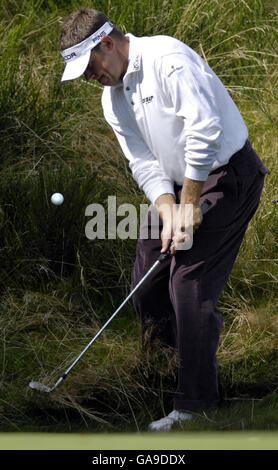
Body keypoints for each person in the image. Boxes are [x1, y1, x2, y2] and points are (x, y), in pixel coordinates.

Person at [59, 8, 269, 431]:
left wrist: (189, 204)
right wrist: (168, 209)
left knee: (188, 281)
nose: (88, 77)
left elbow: (205, 130)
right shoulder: (112, 97)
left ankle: (196, 404)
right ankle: (162, 373)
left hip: (226, 175)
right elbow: (142, 161)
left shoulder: (166, 60)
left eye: (90, 66)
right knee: (147, 283)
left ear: (107, 44)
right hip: (175, 186)